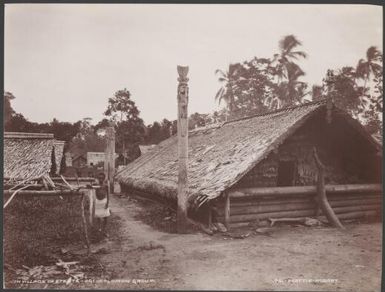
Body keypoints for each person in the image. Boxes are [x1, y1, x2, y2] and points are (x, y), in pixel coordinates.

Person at [94, 172, 110, 237]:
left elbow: (108, 195)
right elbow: (91, 187)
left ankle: (105, 230)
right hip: (98, 202)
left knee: (105, 217)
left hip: (104, 201)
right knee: (98, 217)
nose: (101, 179)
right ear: (98, 178)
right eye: (99, 178)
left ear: (104, 179)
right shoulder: (96, 185)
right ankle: (99, 229)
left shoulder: (106, 185)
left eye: (102, 178)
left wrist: (107, 203)